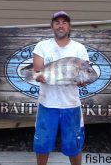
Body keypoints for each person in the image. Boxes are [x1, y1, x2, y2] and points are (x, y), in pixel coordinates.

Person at [32, 11, 89, 165]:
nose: (61, 25)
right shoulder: (42, 46)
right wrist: (39, 76)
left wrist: (82, 80)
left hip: (71, 105)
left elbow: (85, 72)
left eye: (64, 22)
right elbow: (37, 71)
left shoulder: (79, 48)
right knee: (42, 144)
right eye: (57, 22)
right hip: (47, 104)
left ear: (69, 26)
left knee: (74, 145)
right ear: (52, 26)